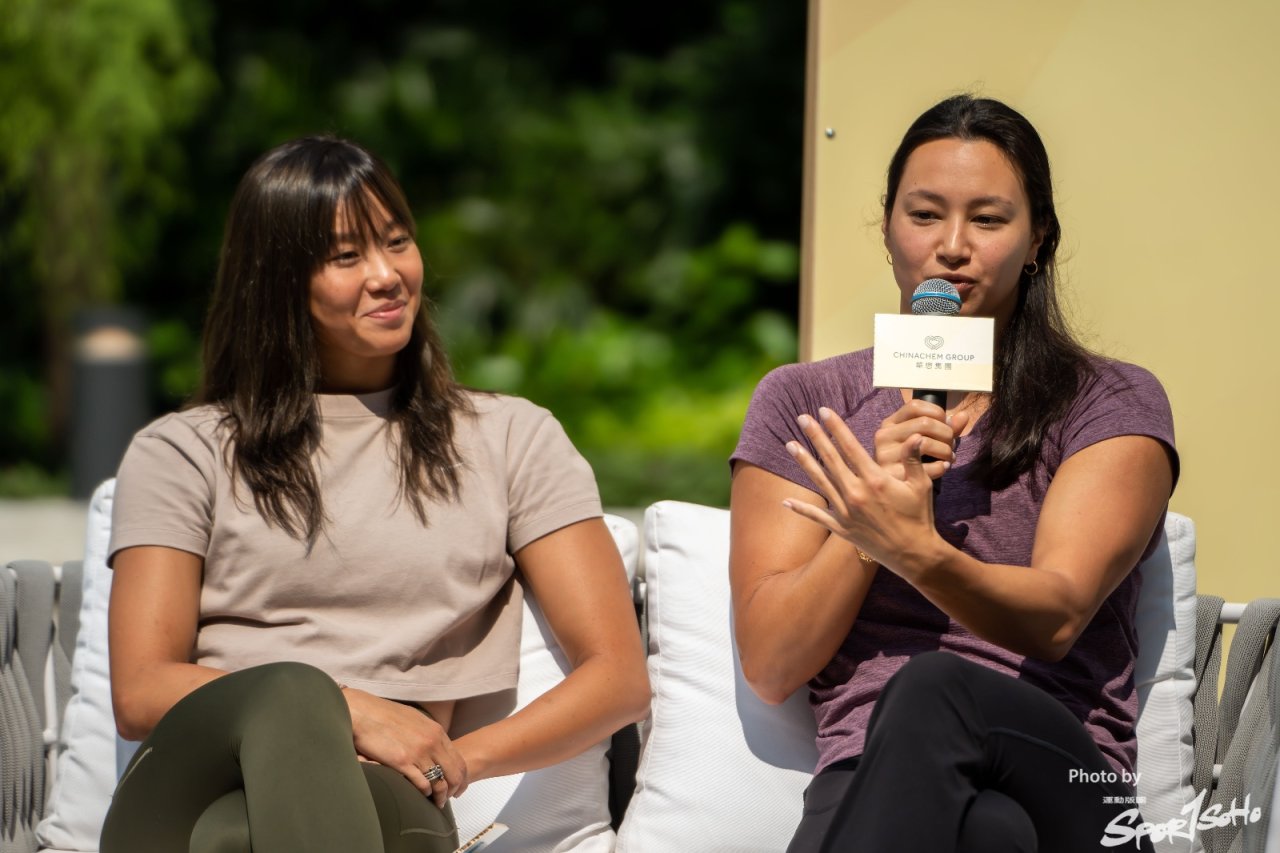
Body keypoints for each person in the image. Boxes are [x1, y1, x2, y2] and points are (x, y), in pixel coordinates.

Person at [100, 136, 649, 852]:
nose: (389, 274)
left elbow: (618, 677)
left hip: (388, 797)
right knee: (288, 694)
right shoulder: (183, 451)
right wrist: (346, 710)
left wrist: (451, 757)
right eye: (346, 255)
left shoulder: (511, 438)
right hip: (190, 776)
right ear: (276, 280)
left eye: (397, 241)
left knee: (234, 839)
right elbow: (141, 690)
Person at [729, 95, 1176, 852]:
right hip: (869, 772)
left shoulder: (1109, 399)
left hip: (1068, 774)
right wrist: (872, 520)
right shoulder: (805, 400)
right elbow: (772, 662)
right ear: (887, 228)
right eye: (926, 214)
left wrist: (919, 551)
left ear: (1038, 239)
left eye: (990, 220)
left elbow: (1058, 615)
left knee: (935, 685)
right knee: (987, 833)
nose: (953, 246)